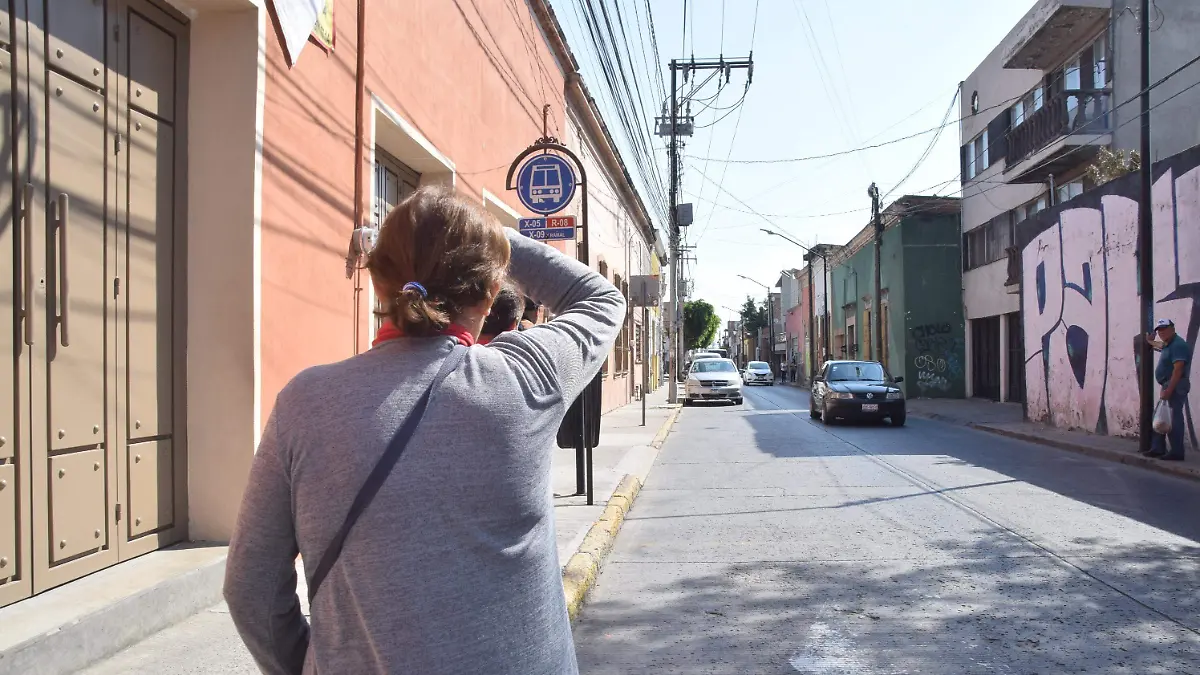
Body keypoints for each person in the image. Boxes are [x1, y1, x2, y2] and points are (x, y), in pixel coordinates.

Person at [223, 185, 625, 675]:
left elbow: (251, 588)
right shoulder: (524, 379)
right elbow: (600, 297)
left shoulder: (305, 403)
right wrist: (493, 237)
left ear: (378, 283)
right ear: (489, 292)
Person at [1144, 318, 1190, 460]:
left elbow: (1178, 370)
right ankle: (1158, 448)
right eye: (1159, 330)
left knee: (1172, 419)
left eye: (1164, 329)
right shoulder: (1168, 344)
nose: (1162, 332)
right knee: (1160, 417)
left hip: (1175, 385)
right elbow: (1159, 345)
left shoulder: (1178, 345)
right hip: (1169, 385)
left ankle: (1176, 452)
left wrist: (1169, 389)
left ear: (1172, 329)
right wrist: (1149, 341)